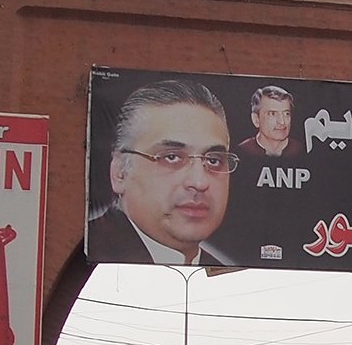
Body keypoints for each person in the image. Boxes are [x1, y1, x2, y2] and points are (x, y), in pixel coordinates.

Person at [87, 78, 239, 266]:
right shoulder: (90, 255)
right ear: (120, 172)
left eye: (213, 160)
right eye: (172, 157)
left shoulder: (226, 279)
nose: (199, 182)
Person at [237, 85, 296, 158]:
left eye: (286, 113)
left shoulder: (301, 151)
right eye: (272, 114)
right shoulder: (242, 152)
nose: (282, 122)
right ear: (256, 119)